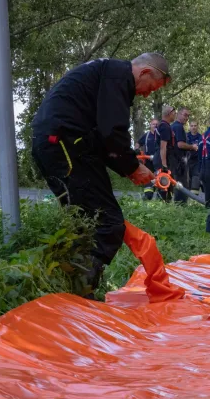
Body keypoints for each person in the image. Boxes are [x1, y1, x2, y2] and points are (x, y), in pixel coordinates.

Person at [31, 53, 169, 296]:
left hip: (58, 144)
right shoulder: (118, 76)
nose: (146, 95)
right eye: (150, 88)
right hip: (65, 146)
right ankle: (81, 293)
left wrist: (129, 169)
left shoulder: (103, 76)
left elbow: (101, 138)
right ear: (144, 72)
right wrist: (132, 167)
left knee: (83, 221)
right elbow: (111, 133)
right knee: (107, 222)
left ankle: (64, 285)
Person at [170, 108, 198, 204]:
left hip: (174, 161)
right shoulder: (178, 127)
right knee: (182, 185)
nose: (187, 118)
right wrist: (192, 147)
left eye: (188, 116)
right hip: (180, 162)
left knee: (177, 184)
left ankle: (177, 204)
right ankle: (181, 206)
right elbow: (180, 144)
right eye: (185, 115)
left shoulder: (173, 126)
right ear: (178, 114)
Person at [154, 105, 180, 202]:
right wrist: (164, 165)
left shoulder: (164, 125)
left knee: (168, 186)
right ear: (169, 113)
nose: (175, 115)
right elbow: (163, 147)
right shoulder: (164, 127)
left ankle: (166, 206)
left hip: (165, 159)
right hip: (164, 160)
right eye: (174, 113)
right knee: (163, 184)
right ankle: (162, 207)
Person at [136, 119, 159, 200]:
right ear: (150, 125)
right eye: (153, 124)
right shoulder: (146, 135)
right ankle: (147, 196)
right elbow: (138, 143)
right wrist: (137, 149)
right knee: (148, 178)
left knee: (159, 177)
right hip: (148, 161)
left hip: (159, 162)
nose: (155, 126)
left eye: (156, 124)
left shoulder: (160, 135)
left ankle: (161, 197)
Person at [186, 120, 203, 192]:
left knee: (195, 178)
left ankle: (194, 199)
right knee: (187, 181)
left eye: (195, 126)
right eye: (192, 126)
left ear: (197, 126)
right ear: (189, 127)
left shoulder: (201, 137)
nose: (193, 127)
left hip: (197, 161)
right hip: (187, 161)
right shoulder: (186, 136)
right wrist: (192, 147)